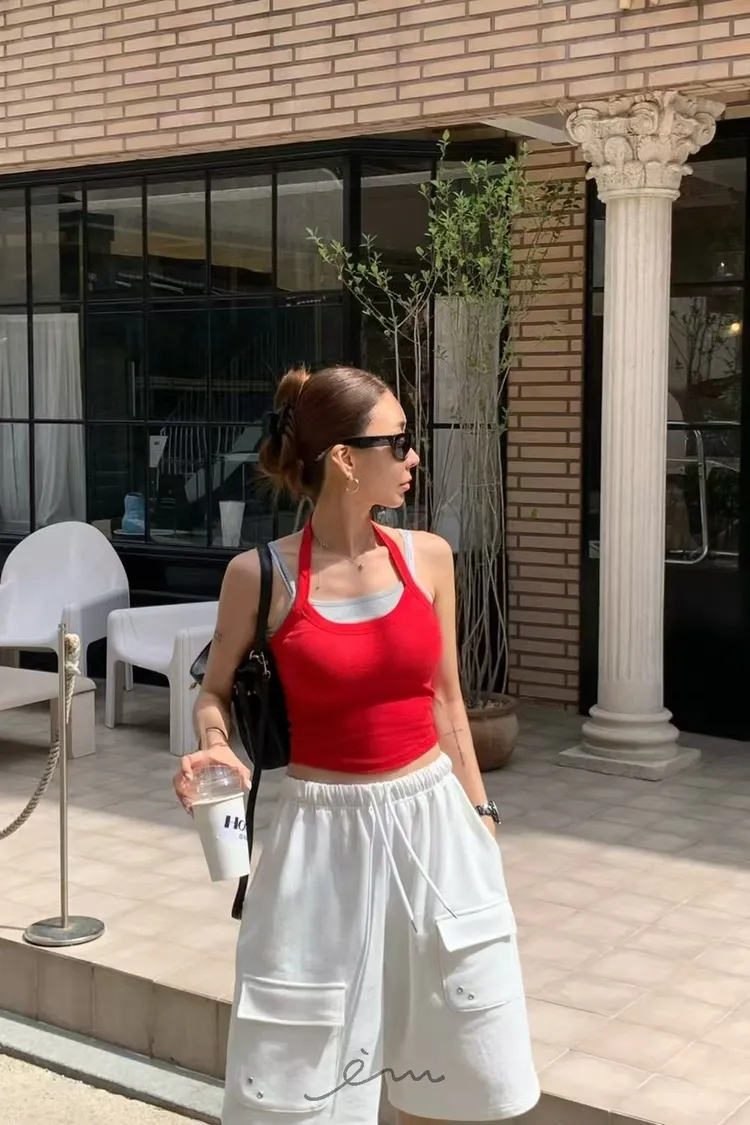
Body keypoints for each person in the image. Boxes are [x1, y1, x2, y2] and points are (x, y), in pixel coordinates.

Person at [174, 366, 540, 1125]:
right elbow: (213, 692)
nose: (413, 457)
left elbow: (446, 698)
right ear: (345, 458)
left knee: (453, 1054)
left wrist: (481, 818)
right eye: (398, 442)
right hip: (319, 836)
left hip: (435, 822)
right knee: (301, 1070)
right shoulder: (260, 575)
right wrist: (214, 744)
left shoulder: (428, 557)